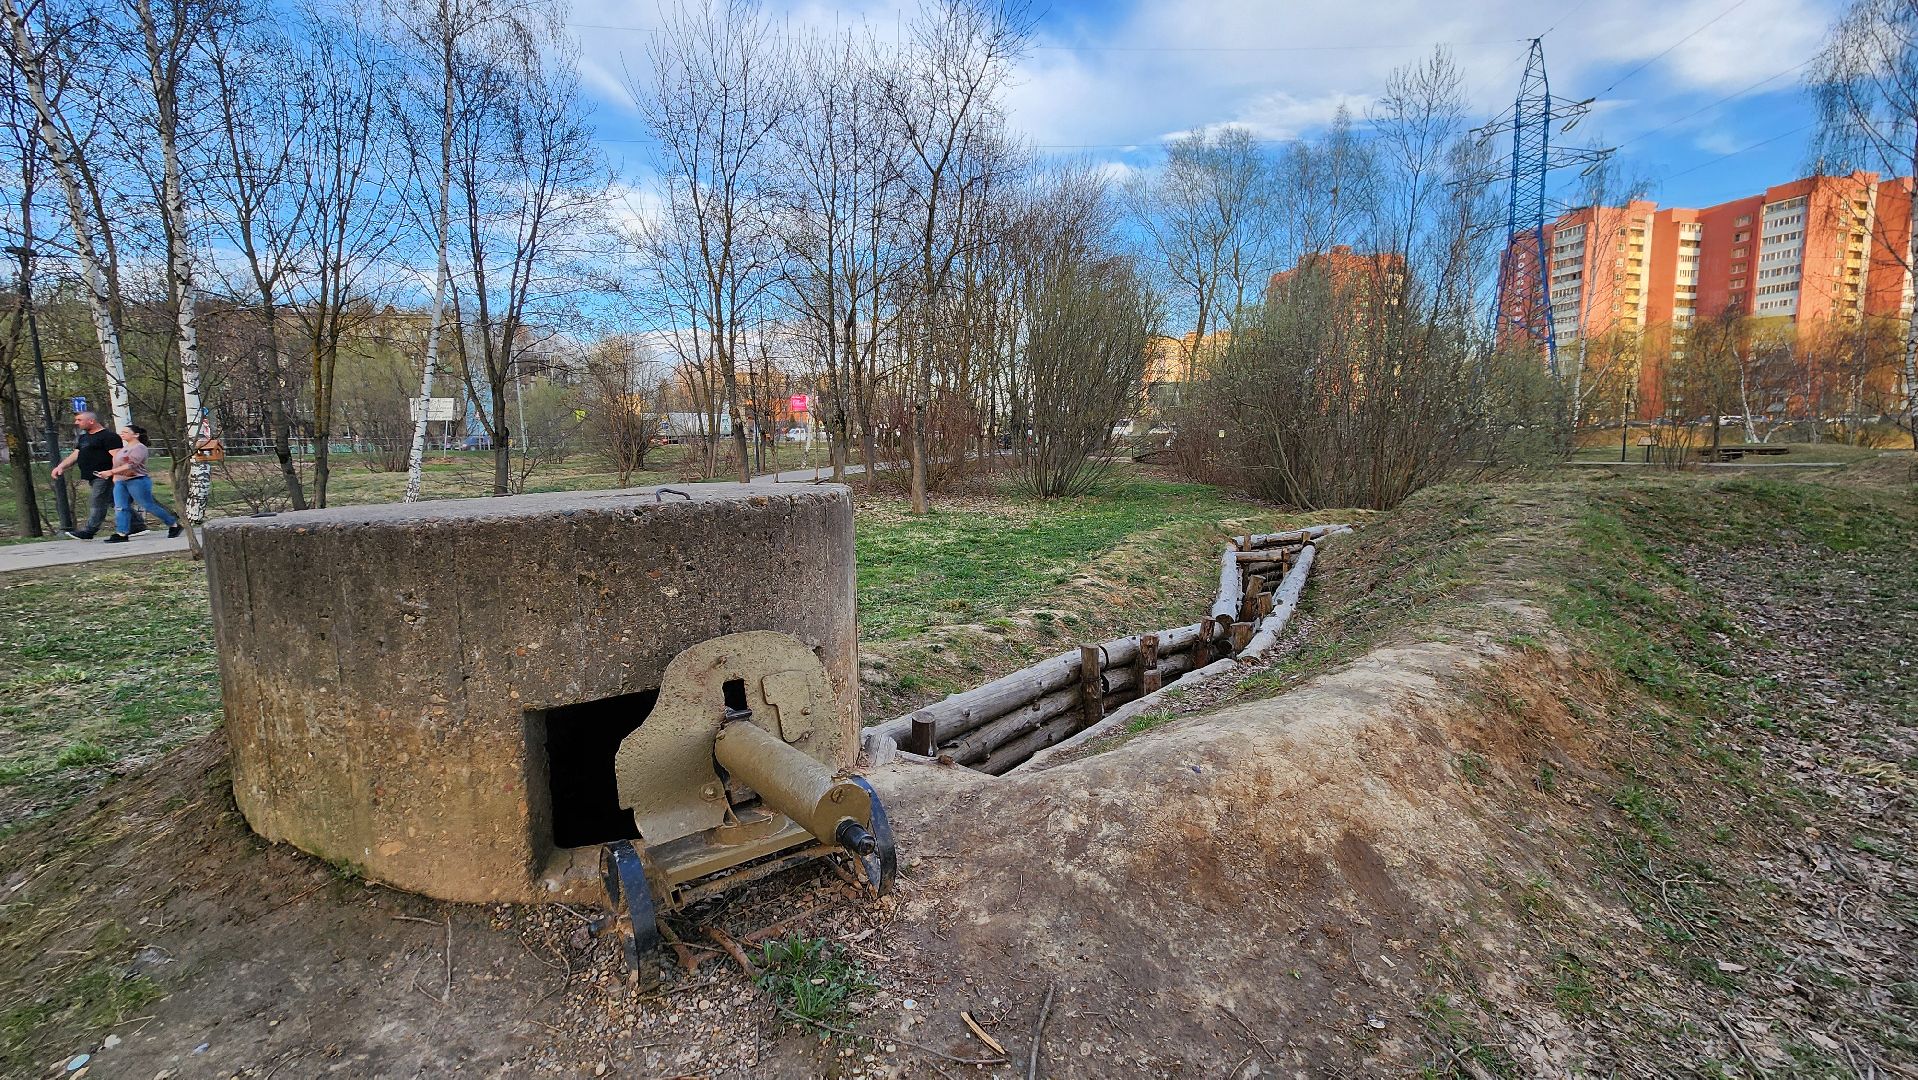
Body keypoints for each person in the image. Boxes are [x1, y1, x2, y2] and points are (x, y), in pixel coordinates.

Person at [50, 410, 144, 540]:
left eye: (79, 420)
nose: (76, 423)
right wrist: (61, 467)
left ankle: (90, 530)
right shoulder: (84, 438)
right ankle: (137, 525)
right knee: (113, 501)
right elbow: (76, 455)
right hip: (92, 476)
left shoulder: (108, 437)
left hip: (104, 476)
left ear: (91, 421)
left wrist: (116, 473)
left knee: (97, 501)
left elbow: (118, 457)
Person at [97, 424, 181, 544]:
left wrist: (110, 472)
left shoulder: (139, 448)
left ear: (135, 434)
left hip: (137, 480)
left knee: (147, 504)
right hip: (121, 481)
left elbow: (131, 465)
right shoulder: (122, 449)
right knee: (120, 507)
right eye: (122, 432)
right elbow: (117, 464)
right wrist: (115, 476)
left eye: (126, 432)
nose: (122, 434)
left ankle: (173, 524)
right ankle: (122, 533)